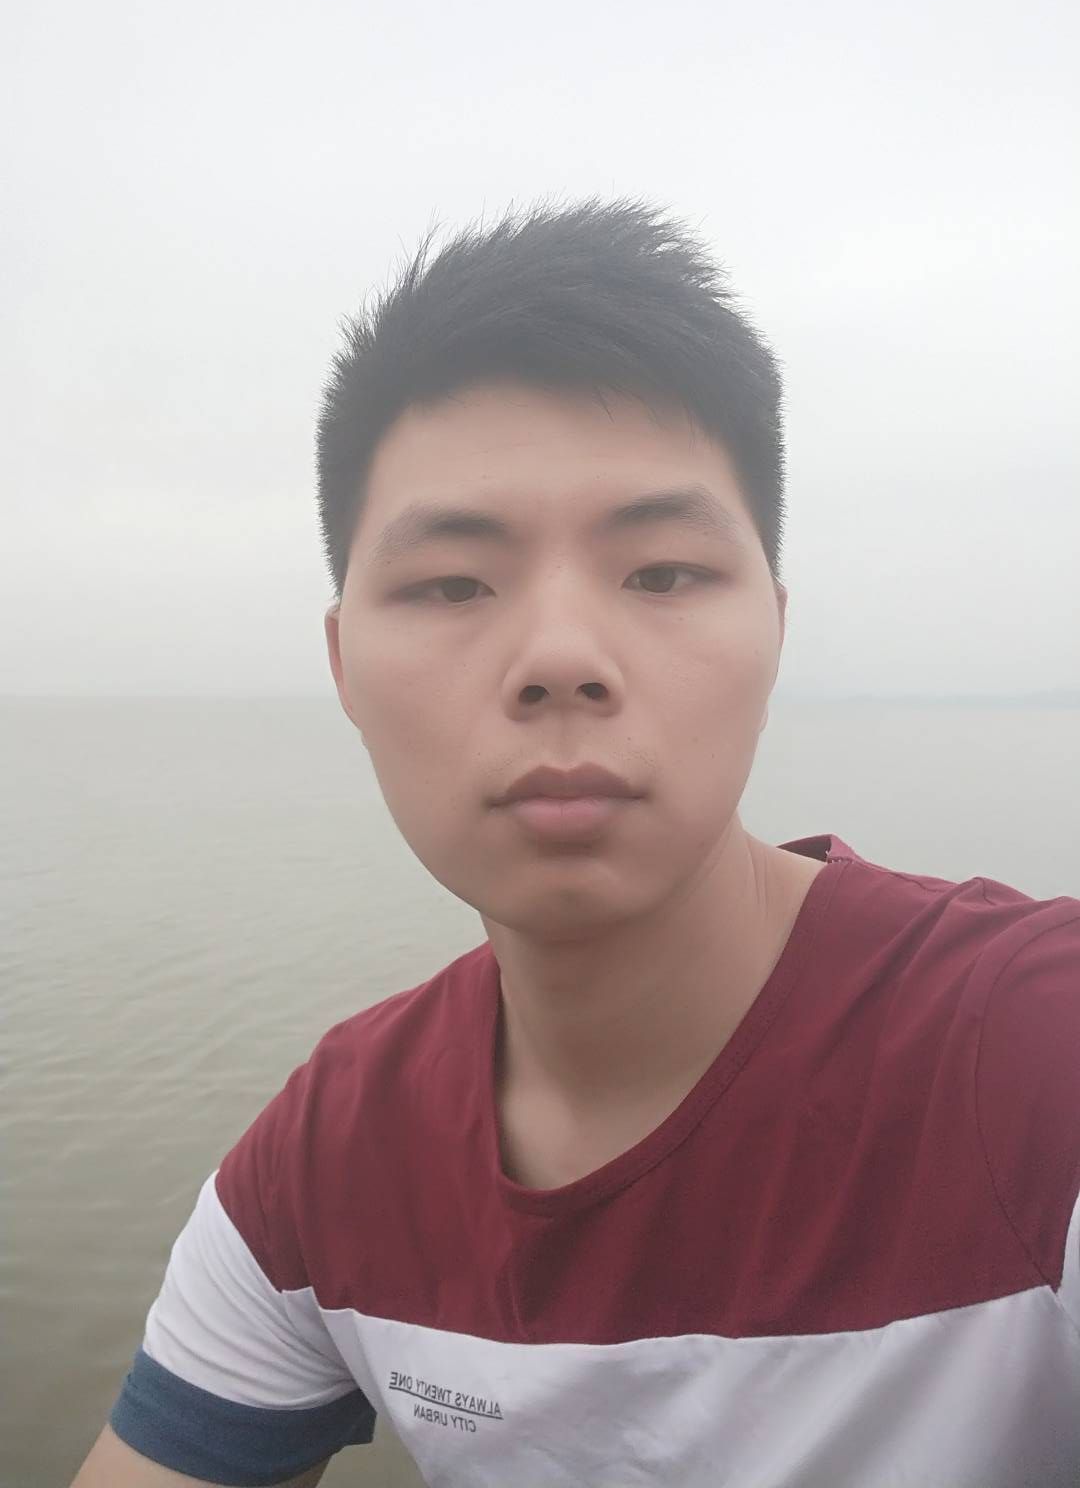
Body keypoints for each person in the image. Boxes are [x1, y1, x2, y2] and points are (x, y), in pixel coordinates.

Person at [73, 200, 1080, 1487]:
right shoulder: (324, 1166)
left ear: (774, 631)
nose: (559, 657)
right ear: (343, 665)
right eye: (452, 584)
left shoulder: (1033, 1059)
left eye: (661, 573)